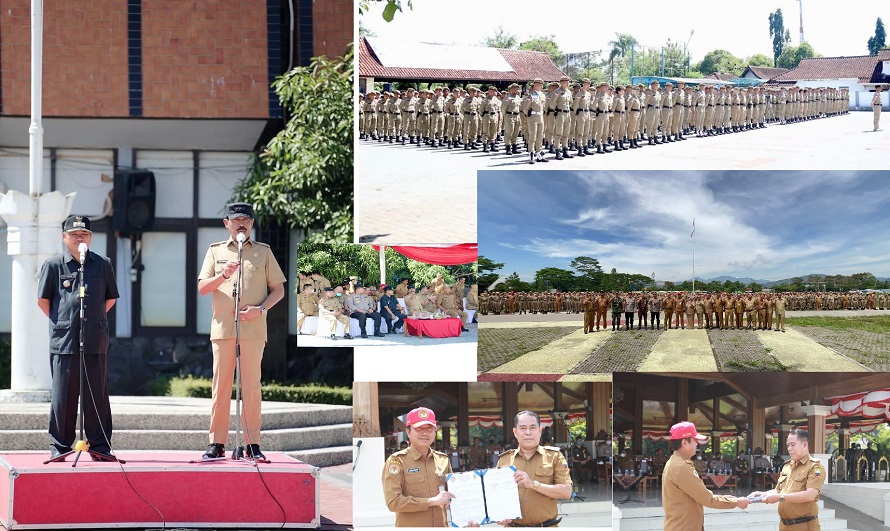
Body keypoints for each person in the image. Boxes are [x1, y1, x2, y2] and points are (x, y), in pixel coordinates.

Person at [197, 202, 286, 461]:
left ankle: (252, 443)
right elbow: (203, 288)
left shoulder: (263, 252)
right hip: (224, 328)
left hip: (253, 328)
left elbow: (278, 290)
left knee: (251, 387)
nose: (241, 224)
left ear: (252, 224)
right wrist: (224, 275)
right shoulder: (215, 252)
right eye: (236, 220)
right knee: (221, 387)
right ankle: (217, 442)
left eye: (246, 220)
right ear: (227, 223)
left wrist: (260, 309)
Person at [37, 215, 120, 461]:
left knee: (97, 394)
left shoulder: (102, 264)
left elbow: (110, 298)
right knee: (64, 396)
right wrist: (65, 322)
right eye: (74, 234)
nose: (79, 237)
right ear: (64, 238)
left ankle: (99, 446)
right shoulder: (53, 265)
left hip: (95, 338)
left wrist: (90, 319)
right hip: (64, 341)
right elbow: (43, 301)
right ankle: (60, 446)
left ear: (91, 238)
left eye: (84, 234)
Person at [662, 421, 748, 530]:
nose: (697, 444)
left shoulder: (674, 462)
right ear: (684, 443)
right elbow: (707, 499)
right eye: (695, 440)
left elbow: (698, 495)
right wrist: (736, 502)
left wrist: (727, 498)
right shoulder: (682, 467)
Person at [496, 411, 572, 527]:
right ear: (515, 432)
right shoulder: (504, 460)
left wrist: (533, 485)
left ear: (540, 431)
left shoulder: (554, 456)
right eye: (522, 428)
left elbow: (566, 492)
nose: (528, 432)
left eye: (532, 428)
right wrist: (498, 515)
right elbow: (496, 496)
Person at [382, 407, 454, 527]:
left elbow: (454, 494)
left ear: (435, 431)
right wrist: (430, 502)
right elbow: (393, 502)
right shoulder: (397, 461)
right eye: (419, 428)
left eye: (429, 428)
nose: (425, 433)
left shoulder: (443, 460)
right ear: (408, 431)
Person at [750, 428, 825, 530]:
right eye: (788, 445)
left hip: (804, 526)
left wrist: (780, 497)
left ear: (805, 444)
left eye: (793, 444)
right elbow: (778, 490)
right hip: (784, 525)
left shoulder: (814, 467)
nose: (789, 448)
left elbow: (810, 495)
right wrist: (762, 494)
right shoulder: (787, 466)